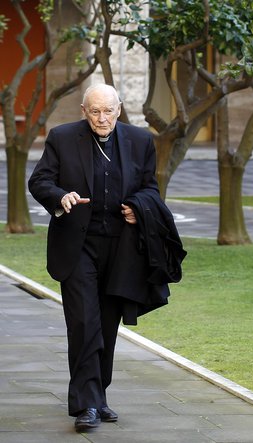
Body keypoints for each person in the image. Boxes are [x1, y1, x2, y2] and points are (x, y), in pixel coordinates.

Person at [28, 83, 184, 433]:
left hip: (122, 250)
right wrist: (60, 196)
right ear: (84, 111)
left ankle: (98, 397)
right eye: (94, 111)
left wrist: (138, 210)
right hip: (77, 247)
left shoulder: (141, 141)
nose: (102, 118)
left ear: (119, 109)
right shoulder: (62, 138)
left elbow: (150, 189)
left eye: (108, 111)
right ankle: (85, 405)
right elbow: (39, 181)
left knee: (107, 327)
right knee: (85, 324)